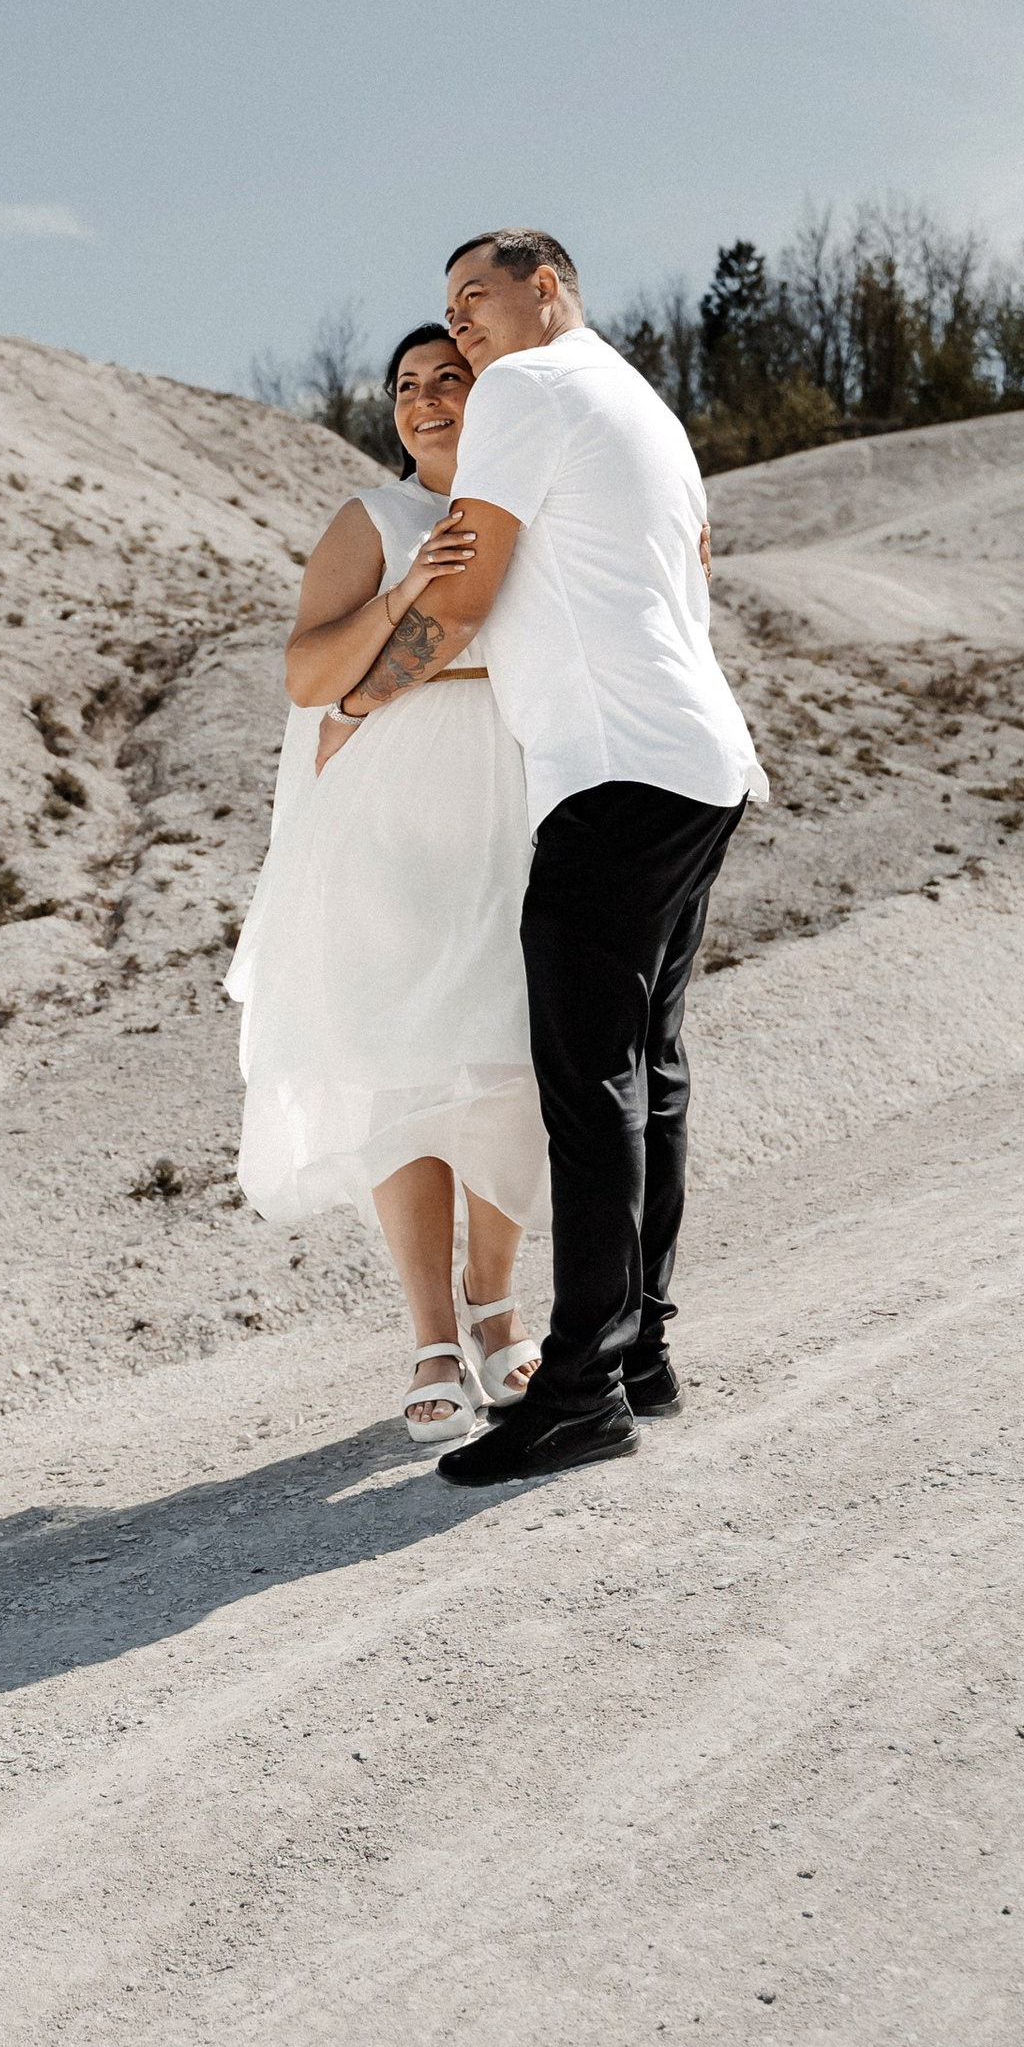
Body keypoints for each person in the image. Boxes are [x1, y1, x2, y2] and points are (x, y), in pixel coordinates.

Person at [324, 230, 767, 1484]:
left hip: (613, 768)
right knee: (649, 1071)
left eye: (478, 295)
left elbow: (464, 590)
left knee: (588, 1082)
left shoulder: (526, 385)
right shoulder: (645, 407)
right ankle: (640, 1354)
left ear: (548, 289)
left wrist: (355, 702)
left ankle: (579, 1392)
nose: (461, 321)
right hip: (700, 759)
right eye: (447, 305)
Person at [226, 324, 547, 1443]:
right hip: (383, 821)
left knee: (509, 1059)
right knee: (400, 1068)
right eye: (406, 385)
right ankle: (431, 1336)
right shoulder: (370, 520)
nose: (424, 399)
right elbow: (307, 673)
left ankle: (497, 1302)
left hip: (507, 803)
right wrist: (406, 586)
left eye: (448, 378)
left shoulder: (530, 505)